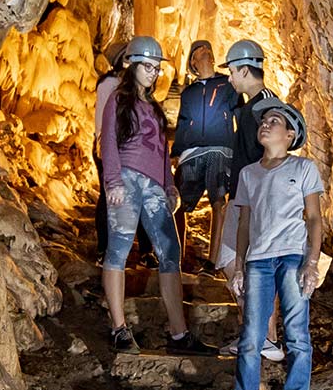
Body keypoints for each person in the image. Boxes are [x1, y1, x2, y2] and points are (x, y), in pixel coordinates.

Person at [101, 35, 217, 356]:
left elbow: (163, 152)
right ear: (132, 65)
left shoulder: (153, 106)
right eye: (147, 67)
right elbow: (108, 139)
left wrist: (169, 186)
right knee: (119, 249)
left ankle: (179, 335)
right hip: (126, 176)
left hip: (154, 185)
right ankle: (119, 329)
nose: (153, 73)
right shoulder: (118, 99)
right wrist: (112, 181)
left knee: (170, 250)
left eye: (156, 68)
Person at [221, 97, 323, 390]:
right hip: (259, 261)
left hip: (293, 256)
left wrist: (312, 262)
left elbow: (313, 218)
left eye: (274, 120)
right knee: (251, 335)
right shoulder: (248, 174)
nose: (265, 124)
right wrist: (238, 265)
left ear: (290, 133)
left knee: (297, 336)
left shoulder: (304, 168)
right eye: (263, 121)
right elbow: (245, 221)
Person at [216, 40, 284, 362]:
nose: (230, 78)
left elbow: (276, 153)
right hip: (243, 197)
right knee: (232, 262)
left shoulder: (266, 106)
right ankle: (253, 334)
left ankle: (266, 338)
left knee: (255, 266)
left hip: (257, 202)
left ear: (245, 69)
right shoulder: (250, 107)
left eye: (231, 72)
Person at [171, 40, 235, 272]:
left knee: (219, 201)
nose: (205, 52)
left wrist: (239, 148)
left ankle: (213, 261)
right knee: (177, 204)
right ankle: (175, 257)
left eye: (208, 49)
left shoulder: (227, 84)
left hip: (220, 149)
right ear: (193, 63)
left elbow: (239, 112)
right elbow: (182, 122)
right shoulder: (189, 93)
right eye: (199, 52)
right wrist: (176, 152)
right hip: (192, 153)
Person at [95, 42, 156, 267]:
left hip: (134, 150)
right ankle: (105, 249)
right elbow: (107, 121)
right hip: (111, 147)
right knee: (108, 198)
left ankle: (145, 250)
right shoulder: (110, 84)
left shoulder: (137, 89)